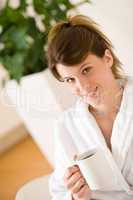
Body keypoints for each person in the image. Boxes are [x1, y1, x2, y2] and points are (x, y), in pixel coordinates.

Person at [47, 15, 133, 200]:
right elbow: (58, 192)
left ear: (107, 58)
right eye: (70, 80)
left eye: (86, 70)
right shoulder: (68, 126)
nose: (83, 87)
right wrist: (75, 195)